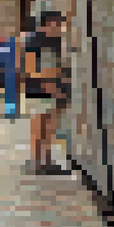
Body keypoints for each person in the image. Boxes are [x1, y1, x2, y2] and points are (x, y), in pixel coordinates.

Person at [23, 10, 69, 175]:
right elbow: (30, 69)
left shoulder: (58, 41)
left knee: (50, 127)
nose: (59, 27)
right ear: (46, 24)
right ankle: (37, 163)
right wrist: (49, 78)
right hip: (38, 89)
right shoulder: (34, 41)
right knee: (38, 126)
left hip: (55, 88)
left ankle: (46, 161)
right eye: (56, 23)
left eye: (60, 23)